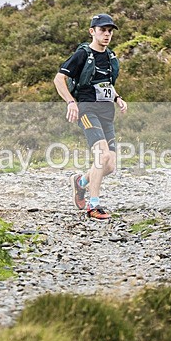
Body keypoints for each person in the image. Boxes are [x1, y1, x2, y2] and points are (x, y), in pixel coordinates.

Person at [53, 13, 128, 220]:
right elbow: (59, 79)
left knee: (110, 165)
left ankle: (81, 182)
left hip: (107, 113)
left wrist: (118, 98)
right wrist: (71, 102)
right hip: (87, 110)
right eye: (103, 30)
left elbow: (106, 85)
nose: (107, 34)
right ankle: (93, 206)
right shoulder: (82, 55)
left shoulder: (110, 57)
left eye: (110, 31)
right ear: (92, 31)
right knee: (101, 156)